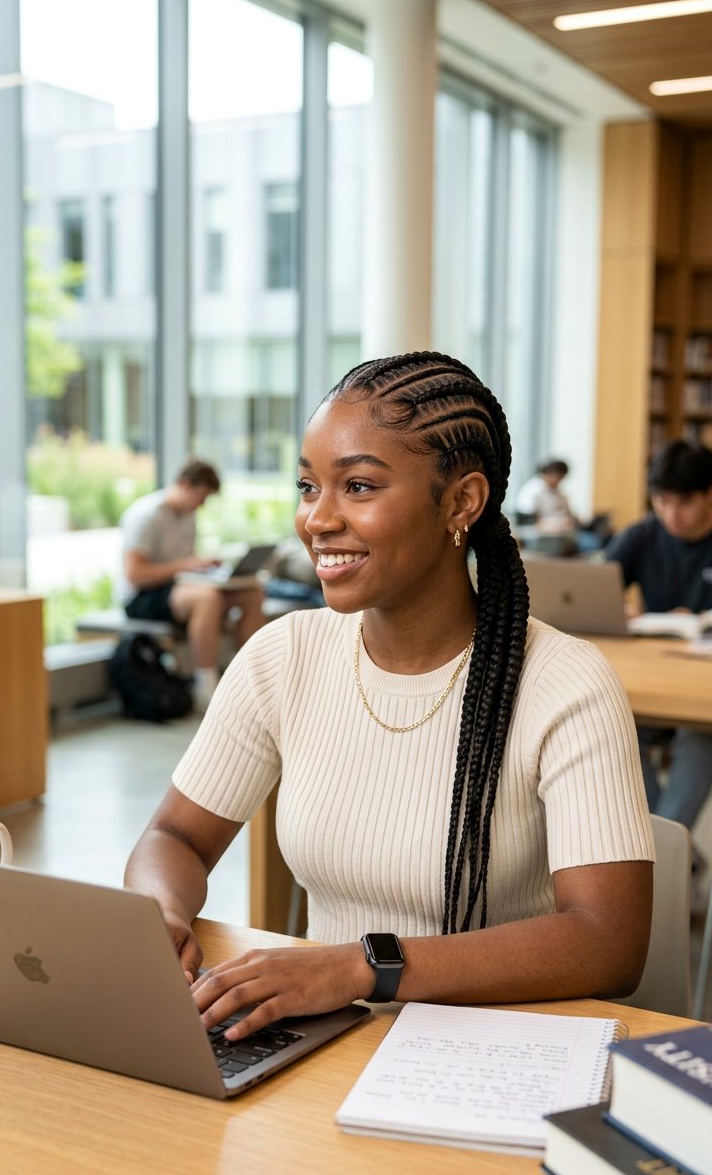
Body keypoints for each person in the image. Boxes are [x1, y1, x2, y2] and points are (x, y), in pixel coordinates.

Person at [125, 352, 653, 1042]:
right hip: (320, 1040)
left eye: (359, 487)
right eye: (308, 486)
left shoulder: (564, 682)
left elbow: (609, 943)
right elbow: (174, 837)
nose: (317, 518)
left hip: (496, 1053)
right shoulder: (283, 657)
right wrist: (159, 912)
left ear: (462, 502)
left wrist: (363, 968)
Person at [605, 440, 712, 851]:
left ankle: (662, 857)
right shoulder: (642, 535)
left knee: (701, 736)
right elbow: (595, 592)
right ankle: (676, 857)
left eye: (683, 502)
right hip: (657, 681)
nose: (670, 514)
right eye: (661, 501)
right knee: (613, 727)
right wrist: (617, 612)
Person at [118, 458, 264, 712]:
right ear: (184, 484)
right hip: (142, 597)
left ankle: (249, 676)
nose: (202, 504)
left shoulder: (188, 517)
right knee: (208, 598)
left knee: (252, 592)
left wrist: (204, 567)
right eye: (201, 496)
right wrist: (186, 565)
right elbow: (135, 574)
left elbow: (184, 564)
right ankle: (204, 685)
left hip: (178, 588)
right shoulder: (147, 515)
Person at [515, 459, 576, 531]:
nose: (560, 481)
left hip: (558, 533)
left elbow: (567, 512)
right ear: (551, 473)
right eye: (559, 478)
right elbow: (525, 519)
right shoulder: (533, 489)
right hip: (535, 534)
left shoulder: (558, 491)